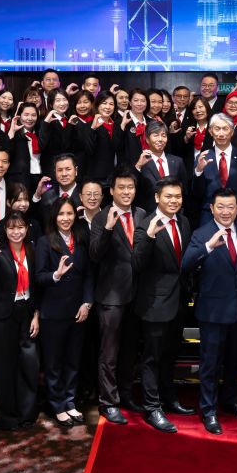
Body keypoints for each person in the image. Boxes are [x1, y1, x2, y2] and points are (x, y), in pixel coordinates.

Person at [180, 188, 237, 436]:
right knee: (210, 364)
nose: (226, 212)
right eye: (221, 207)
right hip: (212, 311)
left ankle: (232, 401)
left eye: (231, 207)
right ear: (212, 209)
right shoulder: (201, 234)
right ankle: (209, 410)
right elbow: (185, 265)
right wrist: (208, 247)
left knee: (235, 360)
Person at [133, 177, 195, 433]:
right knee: (152, 358)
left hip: (179, 301)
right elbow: (136, 264)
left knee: (170, 355)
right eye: (168, 197)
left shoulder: (184, 221)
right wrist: (147, 238)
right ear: (157, 198)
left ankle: (169, 399)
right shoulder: (145, 225)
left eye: (177, 197)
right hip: (154, 304)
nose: (174, 201)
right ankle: (152, 408)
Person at [89, 169, 145, 424]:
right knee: (109, 353)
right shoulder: (102, 217)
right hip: (111, 296)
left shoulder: (142, 214)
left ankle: (126, 394)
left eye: (130, 188)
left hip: (136, 294)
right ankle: (107, 402)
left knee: (130, 351)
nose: (126, 192)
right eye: (120, 188)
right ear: (111, 191)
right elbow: (95, 255)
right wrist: (109, 229)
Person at [35, 197, 94, 428]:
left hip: (78, 311)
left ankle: (70, 402)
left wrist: (87, 303)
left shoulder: (81, 239)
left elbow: (89, 274)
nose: (66, 218)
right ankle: (57, 405)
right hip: (53, 313)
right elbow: (38, 276)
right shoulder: (44, 242)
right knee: (53, 363)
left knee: (73, 361)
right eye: (61, 214)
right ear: (54, 217)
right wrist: (56, 275)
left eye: (69, 214)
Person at [0, 212, 41, 431]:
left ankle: (27, 413)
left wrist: (36, 314)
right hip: (2, 315)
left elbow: (38, 286)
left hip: (27, 311)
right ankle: (7, 416)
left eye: (20, 227)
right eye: (11, 228)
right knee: (4, 367)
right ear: (5, 230)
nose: (16, 232)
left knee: (29, 364)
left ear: (27, 228)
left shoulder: (33, 250)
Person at [193, 113, 237, 231]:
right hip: (209, 219)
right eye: (217, 129)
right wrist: (199, 171)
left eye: (225, 128)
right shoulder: (202, 157)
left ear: (232, 132)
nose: (221, 133)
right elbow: (196, 194)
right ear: (210, 131)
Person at [134, 122, 187, 212]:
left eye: (163, 135)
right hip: (149, 215)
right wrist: (138, 166)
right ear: (147, 139)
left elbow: (184, 190)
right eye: (156, 135)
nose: (160, 139)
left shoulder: (178, 161)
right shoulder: (140, 161)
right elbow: (134, 188)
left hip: (174, 214)